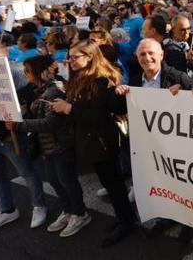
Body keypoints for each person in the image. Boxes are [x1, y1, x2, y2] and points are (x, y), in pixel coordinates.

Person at [49, 40, 135, 247]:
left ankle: (126, 222)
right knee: (110, 183)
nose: (70, 61)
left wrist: (68, 108)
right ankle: (124, 218)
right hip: (90, 142)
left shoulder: (101, 81)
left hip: (102, 142)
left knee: (114, 185)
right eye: (69, 57)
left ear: (90, 57)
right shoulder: (82, 78)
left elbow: (97, 116)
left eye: (75, 57)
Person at [6, 55, 91, 237]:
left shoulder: (53, 91)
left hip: (61, 144)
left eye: (28, 70)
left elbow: (49, 123)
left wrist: (19, 125)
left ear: (39, 72)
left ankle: (80, 213)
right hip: (48, 145)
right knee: (54, 180)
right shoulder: (39, 90)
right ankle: (68, 210)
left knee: (67, 181)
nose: (25, 73)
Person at [0, 44, 48, 235]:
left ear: (2, 57)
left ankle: (39, 205)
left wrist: (18, 123)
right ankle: (7, 210)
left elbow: (29, 100)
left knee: (27, 172)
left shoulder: (16, 74)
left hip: (8, 136)